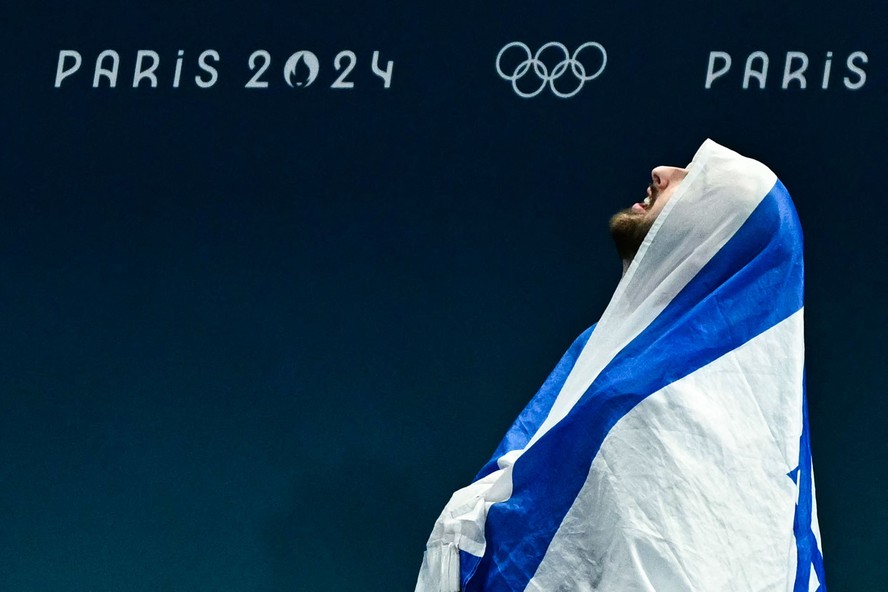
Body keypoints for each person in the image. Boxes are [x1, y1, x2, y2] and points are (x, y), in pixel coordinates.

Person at [415, 140, 826, 592]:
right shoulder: (610, 356)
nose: (660, 171)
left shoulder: (671, 405)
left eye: (694, 179)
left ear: (718, 229)